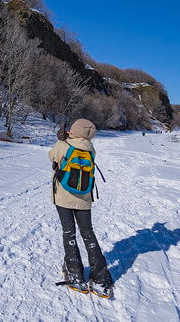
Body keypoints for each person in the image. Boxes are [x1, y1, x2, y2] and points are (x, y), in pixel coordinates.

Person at [48, 118, 113, 297]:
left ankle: (75, 273)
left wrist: (60, 140)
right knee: (88, 233)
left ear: (73, 131)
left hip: (63, 198)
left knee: (69, 232)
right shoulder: (90, 149)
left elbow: (51, 156)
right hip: (84, 199)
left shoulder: (63, 145)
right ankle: (99, 277)